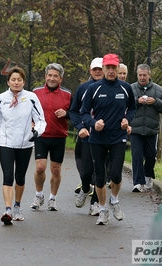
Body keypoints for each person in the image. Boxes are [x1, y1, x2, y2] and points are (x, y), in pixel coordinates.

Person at [0, 66, 46, 225]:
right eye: (13, 79)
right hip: (6, 143)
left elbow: (41, 120)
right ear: (8, 81)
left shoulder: (31, 98)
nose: (16, 82)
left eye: (19, 80)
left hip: (25, 143)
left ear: (24, 81)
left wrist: (36, 132)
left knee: (19, 177)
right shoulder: (1, 98)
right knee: (8, 176)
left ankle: (17, 205)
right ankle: (8, 209)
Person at [80, 53, 136, 225]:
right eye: (108, 68)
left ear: (118, 69)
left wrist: (128, 120)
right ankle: (103, 209)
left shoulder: (126, 88)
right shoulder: (94, 88)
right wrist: (93, 123)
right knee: (100, 176)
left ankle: (115, 200)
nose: (111, 71)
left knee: (116, 175)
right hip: (97, 138)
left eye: (114, 68)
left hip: (118, 136)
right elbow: (83, 113)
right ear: (103, 68)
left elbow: (133, 109)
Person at [29, 63, 71, 211]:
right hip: (41, 135)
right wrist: (32, 123)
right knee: (40, 168)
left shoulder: (68, 95)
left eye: (55, 76)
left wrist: (66, 114)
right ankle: (39, 195)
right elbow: (28, 110)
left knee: (56, 170)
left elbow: (76, 113)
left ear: (61, 79)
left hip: (59, 136)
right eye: (50, 75)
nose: (52, 78)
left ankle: (52, 198)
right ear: (45, 77)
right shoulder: (35, 92)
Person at [70, 57, 104, 216]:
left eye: (100, 69)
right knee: (86, 172)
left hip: (106, 138)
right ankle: (85, 188)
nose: (98, 71)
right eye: (95, 69)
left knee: (101, 172)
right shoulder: (83, 88)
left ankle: (95, 203)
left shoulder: (114, 88)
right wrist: (80, 127)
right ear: (90, 70)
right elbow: (73, 111)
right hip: (87, 135)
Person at [130, 64, 162, 192]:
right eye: (140, 75)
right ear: (137, 75)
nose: (142, 78)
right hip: (135, 129)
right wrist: (137, 101)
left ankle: (148, 176)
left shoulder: (158, 90)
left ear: (149, 75)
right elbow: (123, 104)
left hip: (151, 130)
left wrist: (155, 102)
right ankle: (137, 183)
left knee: (150, 155)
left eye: (144, 75)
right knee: (136, 155)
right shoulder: (130, 88)